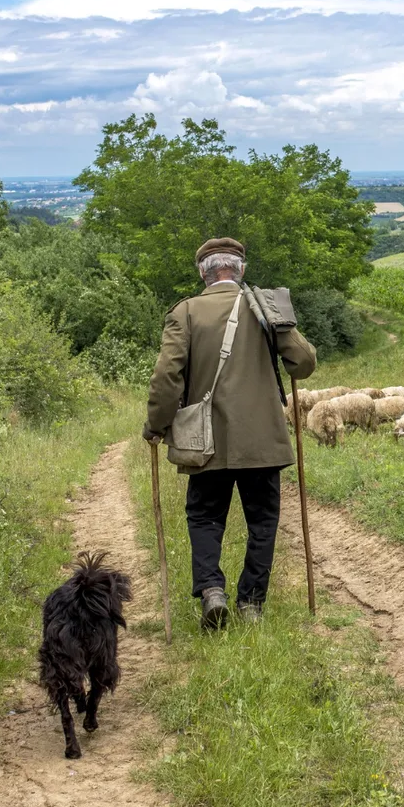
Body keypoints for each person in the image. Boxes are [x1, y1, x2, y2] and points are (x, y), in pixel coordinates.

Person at [144, 237, 317, 629]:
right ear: (241, 269)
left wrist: (155, 425)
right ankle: (251, 605)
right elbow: (303, 364)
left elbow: (166, 378)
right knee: (262, 522)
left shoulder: (185, 313)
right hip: (263, 443)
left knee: (204, 517)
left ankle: (212, 592)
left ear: (202, 273)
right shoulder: (264, 307)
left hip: (205, 442)